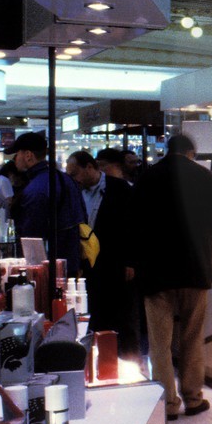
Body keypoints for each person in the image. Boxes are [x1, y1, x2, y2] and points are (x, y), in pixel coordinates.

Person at [132, 134, 212, 421]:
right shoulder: (204, 176)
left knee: (160, 343)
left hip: (156, 272)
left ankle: (168, 403)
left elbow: (131, 223)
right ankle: (193, 398)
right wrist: (210, 237)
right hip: (195, 268)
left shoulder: (148, 177)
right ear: (191, 152)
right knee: (192, 337)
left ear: (167, 150)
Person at [68, 150, 140, 356]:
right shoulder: (76, 192)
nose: (73, 179)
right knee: (96, 315)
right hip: (90, 266)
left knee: (123, 316)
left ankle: (129, 361)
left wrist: (130, 261)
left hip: (116, 262)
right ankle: (101, 360)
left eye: (75, 173)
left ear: (90, 167)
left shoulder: (120, 189)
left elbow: (132, 225)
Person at [6, 131, 85, 277]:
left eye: (17, 153)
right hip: (72, 262)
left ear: (28, 155)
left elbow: (32, 235)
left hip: (48, 268)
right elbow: (81, 218)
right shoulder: (66, 180)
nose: (15, 158)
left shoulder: (35, 188)